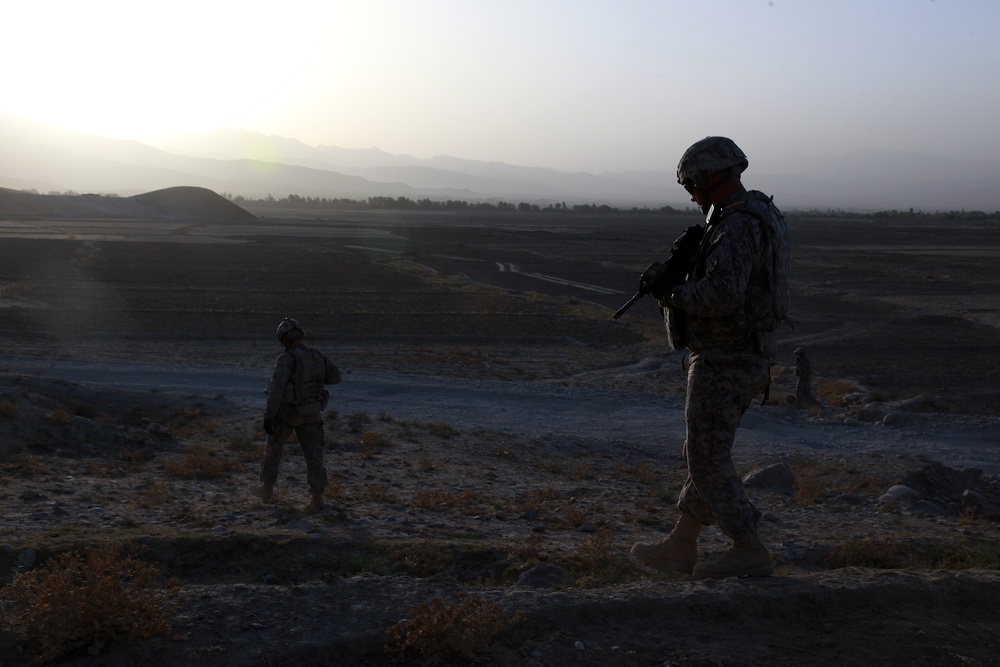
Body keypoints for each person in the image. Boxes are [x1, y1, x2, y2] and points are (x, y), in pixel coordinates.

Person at [630, 136, 790, 578]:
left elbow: (722, 294)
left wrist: (671, 293)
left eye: (693, 186)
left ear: (708, 178)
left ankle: (748, 546)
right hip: (742, 354)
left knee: (705, 457)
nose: (693, 196)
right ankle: (681, 545)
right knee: (707, 450)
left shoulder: (738, 225)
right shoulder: (759, 214)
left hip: (727, 356)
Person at [259, 317, 341, 511]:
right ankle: (316, 499)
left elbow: (276, 389)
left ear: (284, 338)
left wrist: (269, 416)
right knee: (314, 455)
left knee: (273, 449)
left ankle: (267, 491)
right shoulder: (317, 356)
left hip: (287, 413)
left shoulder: (286, 359)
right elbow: (335, 377)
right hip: (312, 413)